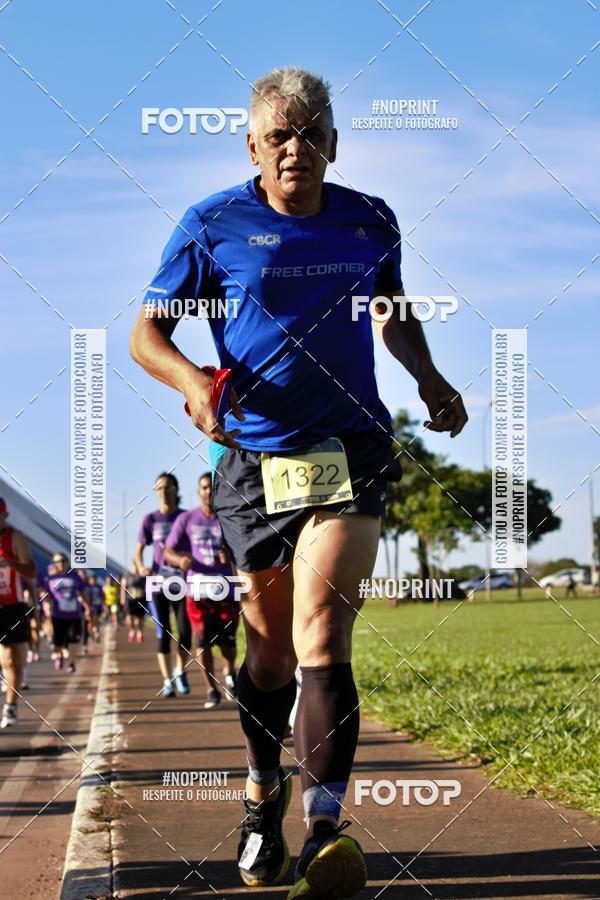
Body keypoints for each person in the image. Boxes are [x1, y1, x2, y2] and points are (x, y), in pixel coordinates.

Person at [130, 66, 467, 898]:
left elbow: (391, 311)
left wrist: (427, 378)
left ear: (334, 144)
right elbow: (145, 334)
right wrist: (194, 385)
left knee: (324, 634)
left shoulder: (369, 220)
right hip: (251, 461)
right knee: (270, 653)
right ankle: (259, 794)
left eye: (312, 133)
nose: (296, 149)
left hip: (349, 446)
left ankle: (324, 831)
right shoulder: (211, 226)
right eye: (279, 136)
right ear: (253, 145)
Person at [164, 472, 239, 709]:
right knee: (202, 641)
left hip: (225, 589)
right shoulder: (187, 519)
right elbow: (168, 551)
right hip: (197, 591)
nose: (208, 492)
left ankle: (229, 671)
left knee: (228, 642)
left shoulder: (229, 517)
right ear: (198, 492)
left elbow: (245, 549)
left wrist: (231, 555)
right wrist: (179, 561)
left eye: (213, 488)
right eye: (204, 488)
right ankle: (211, 689)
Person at [134, 473, 192, 697]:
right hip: (158, 584)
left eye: (167, 487)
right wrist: (140, 567)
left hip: (182, 583)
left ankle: (180, 670)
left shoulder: (186, 517)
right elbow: (138, 551)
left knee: (185, 633)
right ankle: (167, 680)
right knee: (164, 633)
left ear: (176, 490)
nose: (163, 492)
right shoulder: (150, 520)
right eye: (159, 488)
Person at [0, 497, 37, 727]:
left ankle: (11, 706)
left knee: (12, 660)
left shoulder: (15, 538)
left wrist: (10, 563)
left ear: (4, 515)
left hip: (12, 606)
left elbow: (32, 571)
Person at [42, 554, 89, 673]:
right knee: (58, 641)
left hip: (74, 614)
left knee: (73, 639)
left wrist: (88, 607)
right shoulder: (51, 579)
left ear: (68, 563)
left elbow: (83, 592)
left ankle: (72, 662)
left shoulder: (75, 577)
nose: (61, 564)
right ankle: (59, 655)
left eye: (63, 561)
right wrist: (46, 606)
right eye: (58, 561)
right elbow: (45, 595)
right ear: (54, 564)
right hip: (58, 615)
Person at [121, 569, 146, 642]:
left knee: (140, 618)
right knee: (129, 617)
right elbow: (123, 587)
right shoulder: (127, 575)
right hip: (130, 600)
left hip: (141, 599)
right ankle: (132, 631)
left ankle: (139, 633)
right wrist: (122, 598)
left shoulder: (143, 575)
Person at [86, 573, 104, 641]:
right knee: (90, 623)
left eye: (94, 579)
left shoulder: (99, 587)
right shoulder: (87, 587)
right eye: (92, 579)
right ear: (89, 580)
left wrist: (103, 606)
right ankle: (92, 634)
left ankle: (96, 634)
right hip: (90, 607)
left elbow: (103, 597)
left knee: (97, 621)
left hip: (98, 607)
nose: (93, 581)